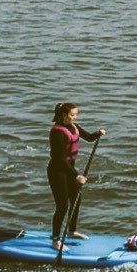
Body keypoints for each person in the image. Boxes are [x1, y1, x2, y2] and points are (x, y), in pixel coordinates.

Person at [48, 102, 104, 250]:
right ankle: (55, 240)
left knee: (76, 199)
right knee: (62, 206)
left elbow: (89, 137)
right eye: (72, 115)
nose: (75, 117)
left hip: (69, 170)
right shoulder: (56, 132)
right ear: (64, 115)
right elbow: (60, 159)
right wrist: (77, 175)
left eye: (76, 114)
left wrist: (98, 133)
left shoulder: (74, 127)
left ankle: (71, 231)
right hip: (57, 171)